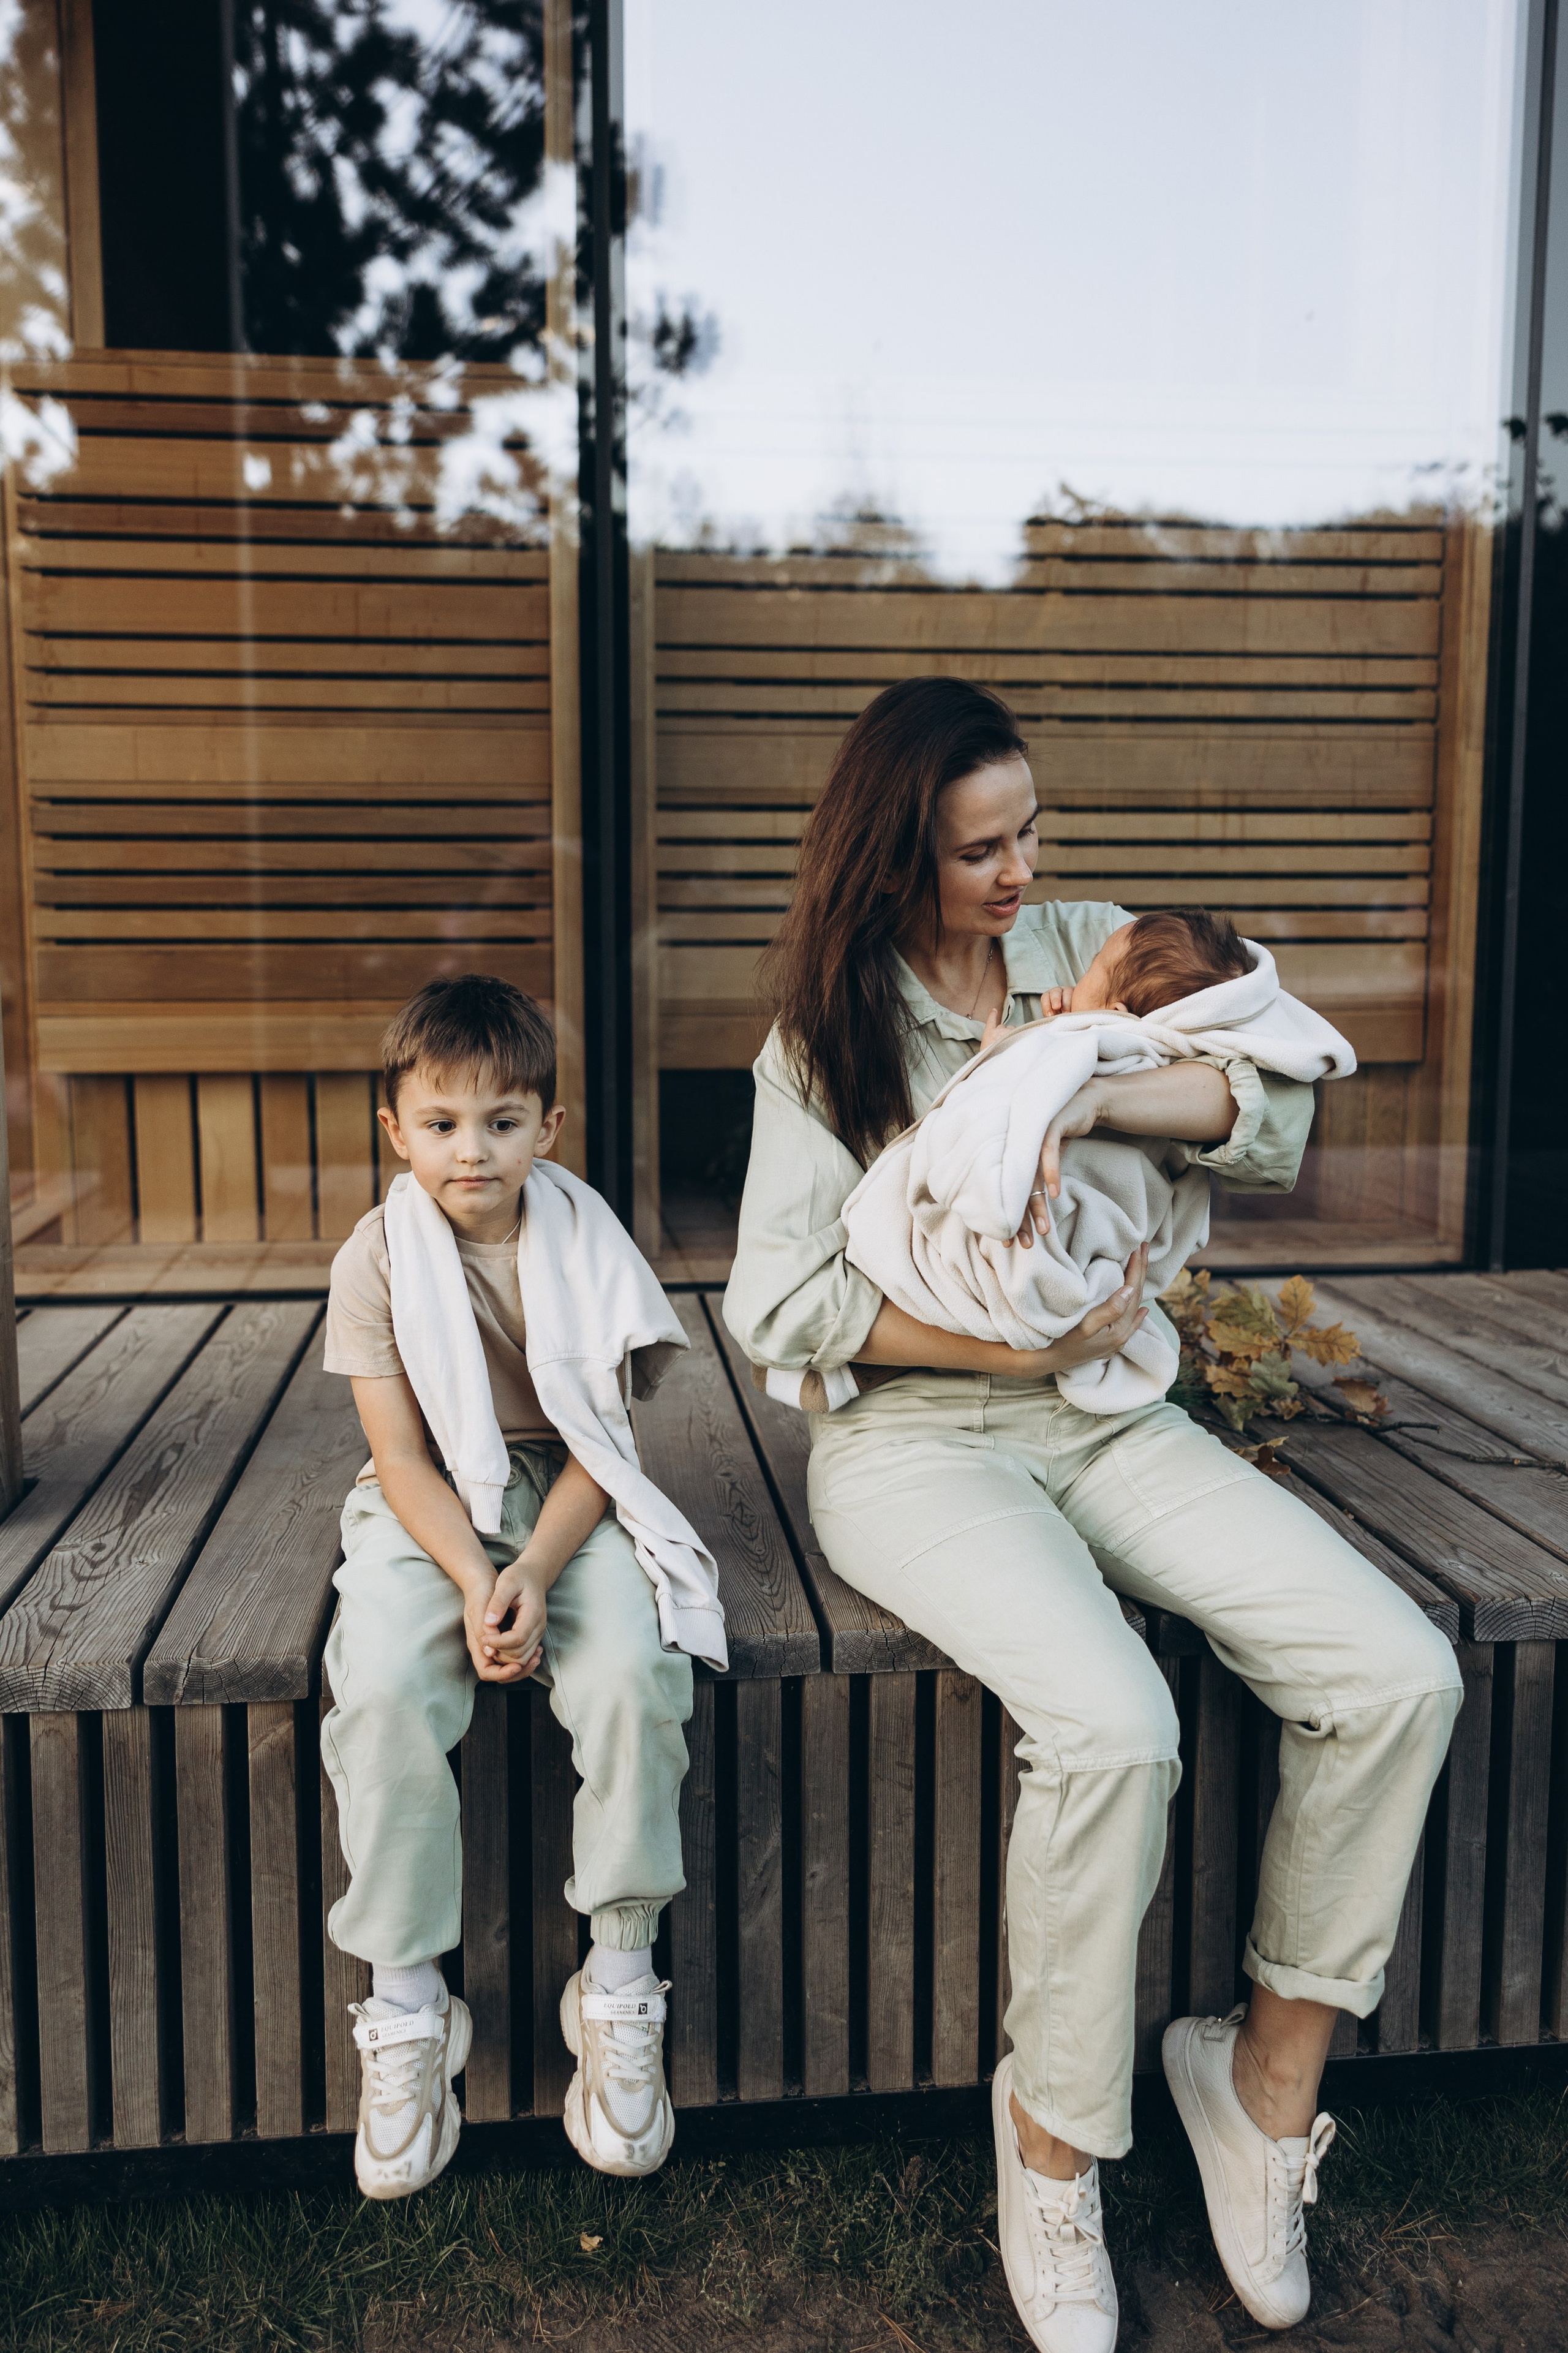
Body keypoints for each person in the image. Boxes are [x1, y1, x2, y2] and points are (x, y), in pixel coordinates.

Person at [723, 678, 1461, 2349]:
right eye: (978, 847)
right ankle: (1051, 2158)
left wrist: (1080, 1076)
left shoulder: (1098, 947)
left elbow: (1270, 1113)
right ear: (895, 853)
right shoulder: (824, 1037)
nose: (1014, 869)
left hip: (1111, 1416)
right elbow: (780, 1304)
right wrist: (1007, 1326)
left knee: (1398, 1672)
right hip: (921, 1443)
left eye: (1027, 832)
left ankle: (1259, 2089)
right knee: (1116, 1727)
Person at [320, 975, 718, 2200]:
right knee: (381, 1685)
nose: (470, 1149)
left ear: (548, 1128)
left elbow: (606, 1448)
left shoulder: (585, 1241)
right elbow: (395, 1456)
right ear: (396, 1131)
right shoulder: (376, 1257)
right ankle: (406, 2002)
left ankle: (617, 1974)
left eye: (501, 1121)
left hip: (565, 1491)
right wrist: (472, 1574)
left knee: (635, 1676)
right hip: (429, 1495)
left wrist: (533, 1572)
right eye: (440, 1122)